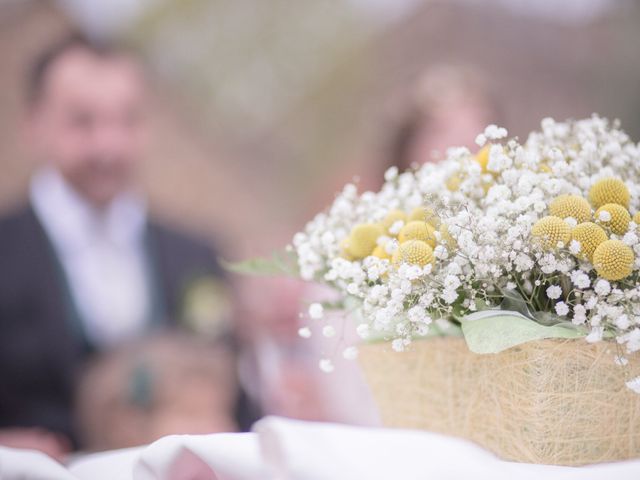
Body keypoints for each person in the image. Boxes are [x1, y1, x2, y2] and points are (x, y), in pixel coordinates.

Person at [0, 33, 248, 457]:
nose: (108, 146)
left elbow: (238, 403)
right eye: (83, 121)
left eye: (127, 120)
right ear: (34, 124)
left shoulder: (197, 254)